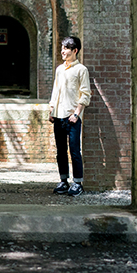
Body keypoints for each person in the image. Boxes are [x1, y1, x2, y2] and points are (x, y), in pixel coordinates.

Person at [48, 36, 91, 197]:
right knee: (60, 151)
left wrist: (76, 114)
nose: (62, 51)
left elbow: (85, 94)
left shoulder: (81, 70)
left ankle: (78, 182)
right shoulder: (59, 69)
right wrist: (51, 110)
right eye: (62, 48)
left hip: (72, 117)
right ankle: (63, 180)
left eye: (66, 48)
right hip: (58, 116)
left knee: (74, 150)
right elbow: (55, 91)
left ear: (75, 50)